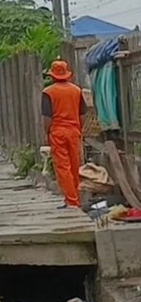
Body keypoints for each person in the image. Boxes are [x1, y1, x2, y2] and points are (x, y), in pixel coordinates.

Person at [42, 60, 87, 209]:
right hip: (74, 131)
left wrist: (46, 132)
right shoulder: (77, 90)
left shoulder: (48, 92)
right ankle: (75, 198)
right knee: (75, 165)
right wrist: (79, 129)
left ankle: (71, 200)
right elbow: (83, 115)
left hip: (57, 132)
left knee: (63, 166)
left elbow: (47, 117)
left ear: (52, 75)